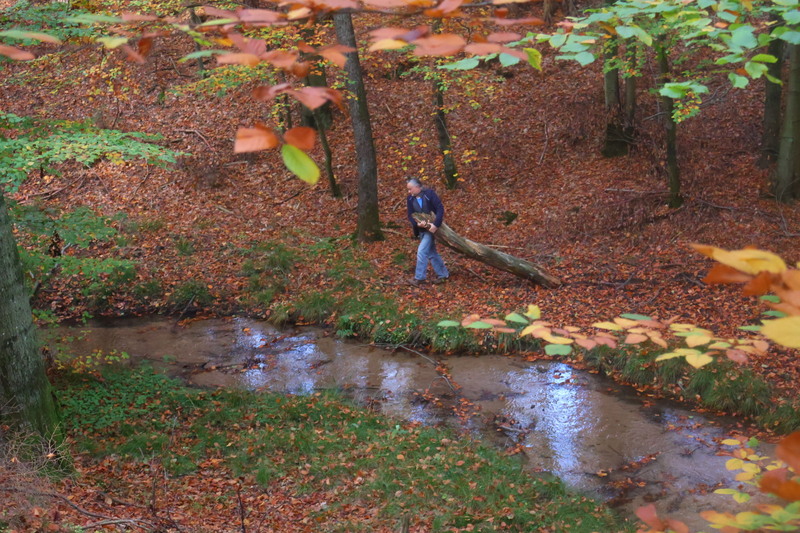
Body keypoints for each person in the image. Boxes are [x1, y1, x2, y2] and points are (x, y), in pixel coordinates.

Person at [406, 178, 449, 286]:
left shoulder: (429, 194)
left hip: (432, 229)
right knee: (431, 252)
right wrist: (416, 224)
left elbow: (440, 209)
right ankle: (443, 274)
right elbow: (410, 215)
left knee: (421, 251)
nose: (409, 192)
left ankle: (419, 278)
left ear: (417, 187)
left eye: (410, 189)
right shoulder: (410, 199)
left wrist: (436, 225)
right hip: (421, 230)